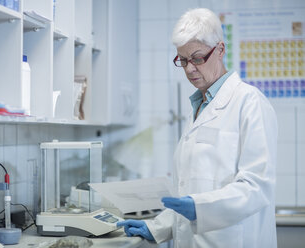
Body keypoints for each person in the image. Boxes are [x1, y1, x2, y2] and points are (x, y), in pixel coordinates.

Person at [117, 8, 278, 248]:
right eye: (182, 60)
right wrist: (157, 227)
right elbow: (192, 190)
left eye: (197, 58)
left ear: (220, 50)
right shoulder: (199, 106)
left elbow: (256, 188)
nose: (189, 69)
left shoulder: (249, 102)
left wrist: (199, 208)